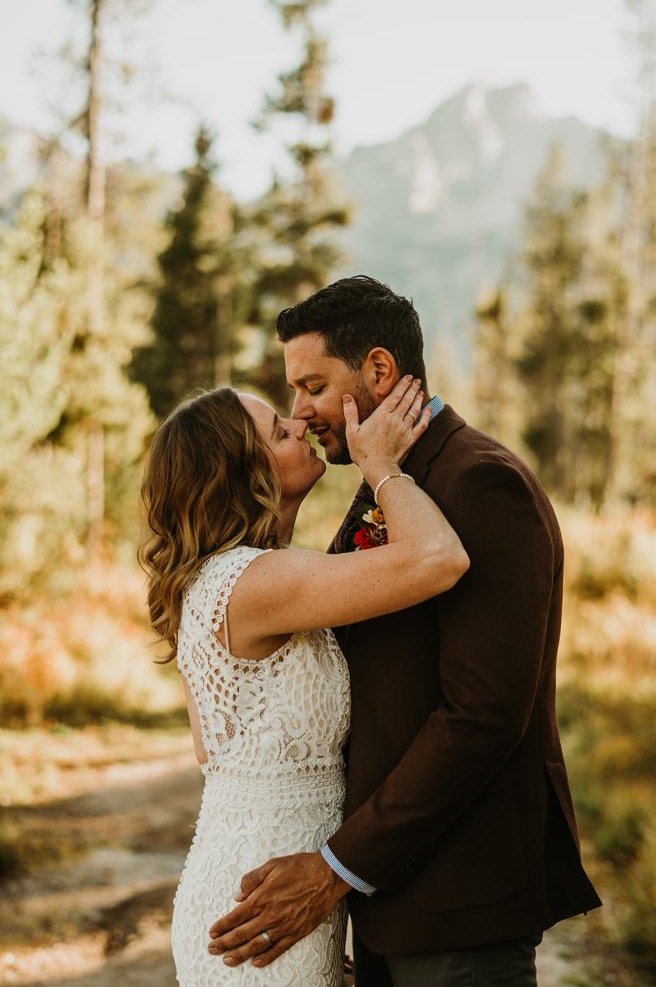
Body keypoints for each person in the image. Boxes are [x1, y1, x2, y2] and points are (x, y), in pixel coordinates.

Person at [207, 275, 602, 987]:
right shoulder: (390, 479)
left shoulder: (478, 482)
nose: (302, 412)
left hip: (459, 899)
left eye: (313, 385)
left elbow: (482, 714)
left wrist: (337, 870)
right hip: (390, 896)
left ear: (380, 371)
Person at [139, 374, 470, 987]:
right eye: (276, 430)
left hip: (264, 893)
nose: (299, 424)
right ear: (244, 471)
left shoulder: (224, 582)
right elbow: (439, 558)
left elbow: (214, 749)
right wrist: (382, 466)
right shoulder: (254, 581)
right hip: (262, 902)